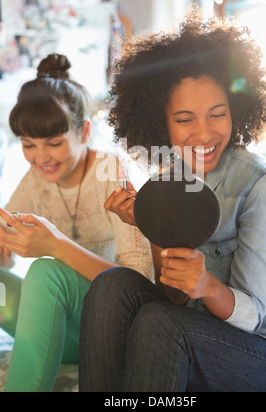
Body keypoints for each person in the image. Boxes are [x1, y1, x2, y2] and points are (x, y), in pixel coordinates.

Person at [79, 5, 266, 392]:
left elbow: (250, 317)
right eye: (184, 120)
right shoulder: (170, 179)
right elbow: (176, 299)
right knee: (113, 286)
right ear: (160, 121)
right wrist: (150, 225)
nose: (204, 134)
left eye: (218, 114)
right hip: (201, 336)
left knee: (160, 323)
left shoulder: (262, 184)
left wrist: (210, 286)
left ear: (238, 111)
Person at [0, 53, 152, 392]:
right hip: (73, 336)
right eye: (28, 145)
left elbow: (138, 286)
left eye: (54, 143)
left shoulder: (110, 171)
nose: (40, 157)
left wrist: (55, 245)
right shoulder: (36, 177)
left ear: (83, 131)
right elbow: (6, 250)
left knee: (46, 272)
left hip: (116, 329)